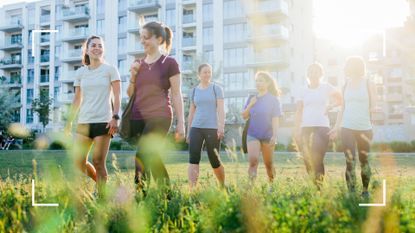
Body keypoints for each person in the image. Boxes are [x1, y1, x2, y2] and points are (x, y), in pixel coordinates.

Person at [127, 21, 185, 189]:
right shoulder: (139, 63)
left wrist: (181, 122)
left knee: (142, 155)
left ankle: (140, 198)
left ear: (159, 39)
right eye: (141, 38)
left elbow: (176, 93)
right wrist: (133, 75)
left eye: (146, 38)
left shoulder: (170, 63)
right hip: (138, 117)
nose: (142, 41)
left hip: (160, 116)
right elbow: (130, 94)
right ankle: (166, 195)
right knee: (151, 156)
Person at [66, 35, 121, 198]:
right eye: (94, 45)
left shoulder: (110, 70)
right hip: (83, 122)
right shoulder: (81, 72)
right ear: (87, 49)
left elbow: (117, 96)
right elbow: (77, 99)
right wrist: (69, 122)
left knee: (98, 161)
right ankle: (101, 184)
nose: (97, 48)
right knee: (78, 161)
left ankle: (102, 197)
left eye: (100, 45)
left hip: (104, 121)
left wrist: (116, 117)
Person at [329, 56, 376, 198]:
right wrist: (336, 127)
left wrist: (374, 110)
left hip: (364, 127)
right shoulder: (345, 85)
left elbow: (373, 103)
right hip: (347, 127)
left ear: (356, 67)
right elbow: (343, 108)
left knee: (364, 161)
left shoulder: (368, 83)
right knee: (350, 160)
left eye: (348, 65)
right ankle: (351, 192)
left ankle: (365, 191)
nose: (346, 68)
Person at [295, 62, 342, 189]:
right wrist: (297, 128)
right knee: (307, 158)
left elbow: (341, 99)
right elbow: (299, 110)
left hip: (322, 126)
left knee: (316, 156)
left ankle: (319, 187)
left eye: (316, 71)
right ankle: (314, 184)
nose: (313, 73)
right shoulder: (302, 90)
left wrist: (331, 106)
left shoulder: (326, 87)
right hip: (305, 127)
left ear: (321, 74)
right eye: (311, 71)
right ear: (307, 74)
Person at [186, 63, 225, 189]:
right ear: (199, 75)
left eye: (209, 72)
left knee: (214, 160)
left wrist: (221, 127)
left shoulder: (216, 89)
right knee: (193, 159)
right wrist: (188, 131)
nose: (207, 74)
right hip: (196, 128)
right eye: (205, 72)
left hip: (212, 128)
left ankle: (222, 186)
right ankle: (192, 190)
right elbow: (191, 113)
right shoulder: (194, 91)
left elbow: (221, 110)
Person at [242, 71, 282, 183]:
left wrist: (274, 136)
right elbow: (244, 116)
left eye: (261, 81)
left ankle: (272, 185)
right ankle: (250, 188)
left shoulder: (273, 100)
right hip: (252, 134)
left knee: (268, 164)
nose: (258, 83)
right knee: (253, 161)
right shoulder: (251, 98)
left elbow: (275, 119)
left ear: (268, 83)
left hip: (267, 135)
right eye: (257, 81)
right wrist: (251, 104)